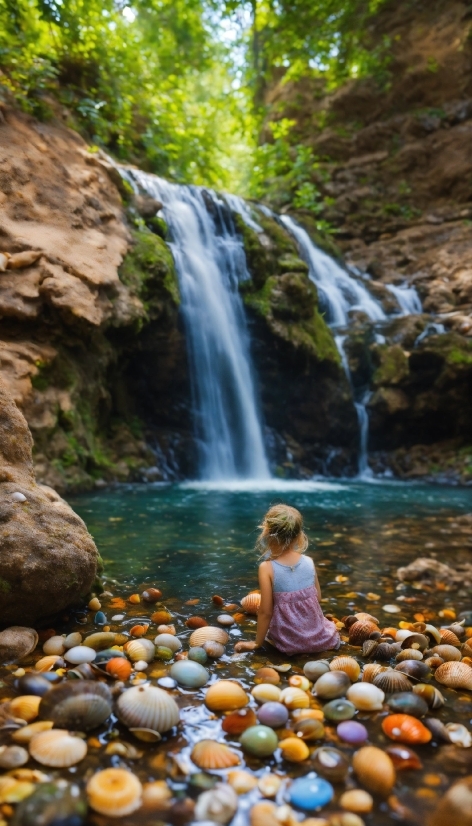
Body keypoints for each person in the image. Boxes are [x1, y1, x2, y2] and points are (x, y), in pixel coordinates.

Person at [234, 504, 340, 655]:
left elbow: (265, 612)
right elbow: (318, 597)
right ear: (299, 535)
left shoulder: (267, 568)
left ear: (267, 532)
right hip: (319, 639)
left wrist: (257, 643)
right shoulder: (309, 561)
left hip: (288, 643)